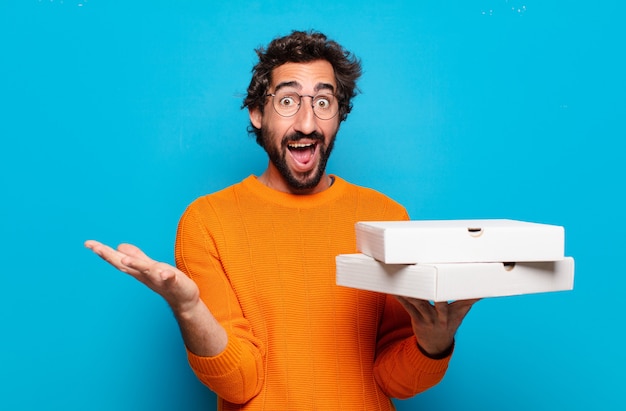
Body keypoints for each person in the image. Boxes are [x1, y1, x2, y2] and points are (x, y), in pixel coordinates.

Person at [85, 30, 477, 410]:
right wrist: (189, 309)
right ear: (257, 113)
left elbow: (395, 381)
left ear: (339, 114)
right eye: (288, 101)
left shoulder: (386, 218)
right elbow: (240, 383)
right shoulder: (206, 221)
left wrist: (432, 344)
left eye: (324, 103)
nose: (307, 122)